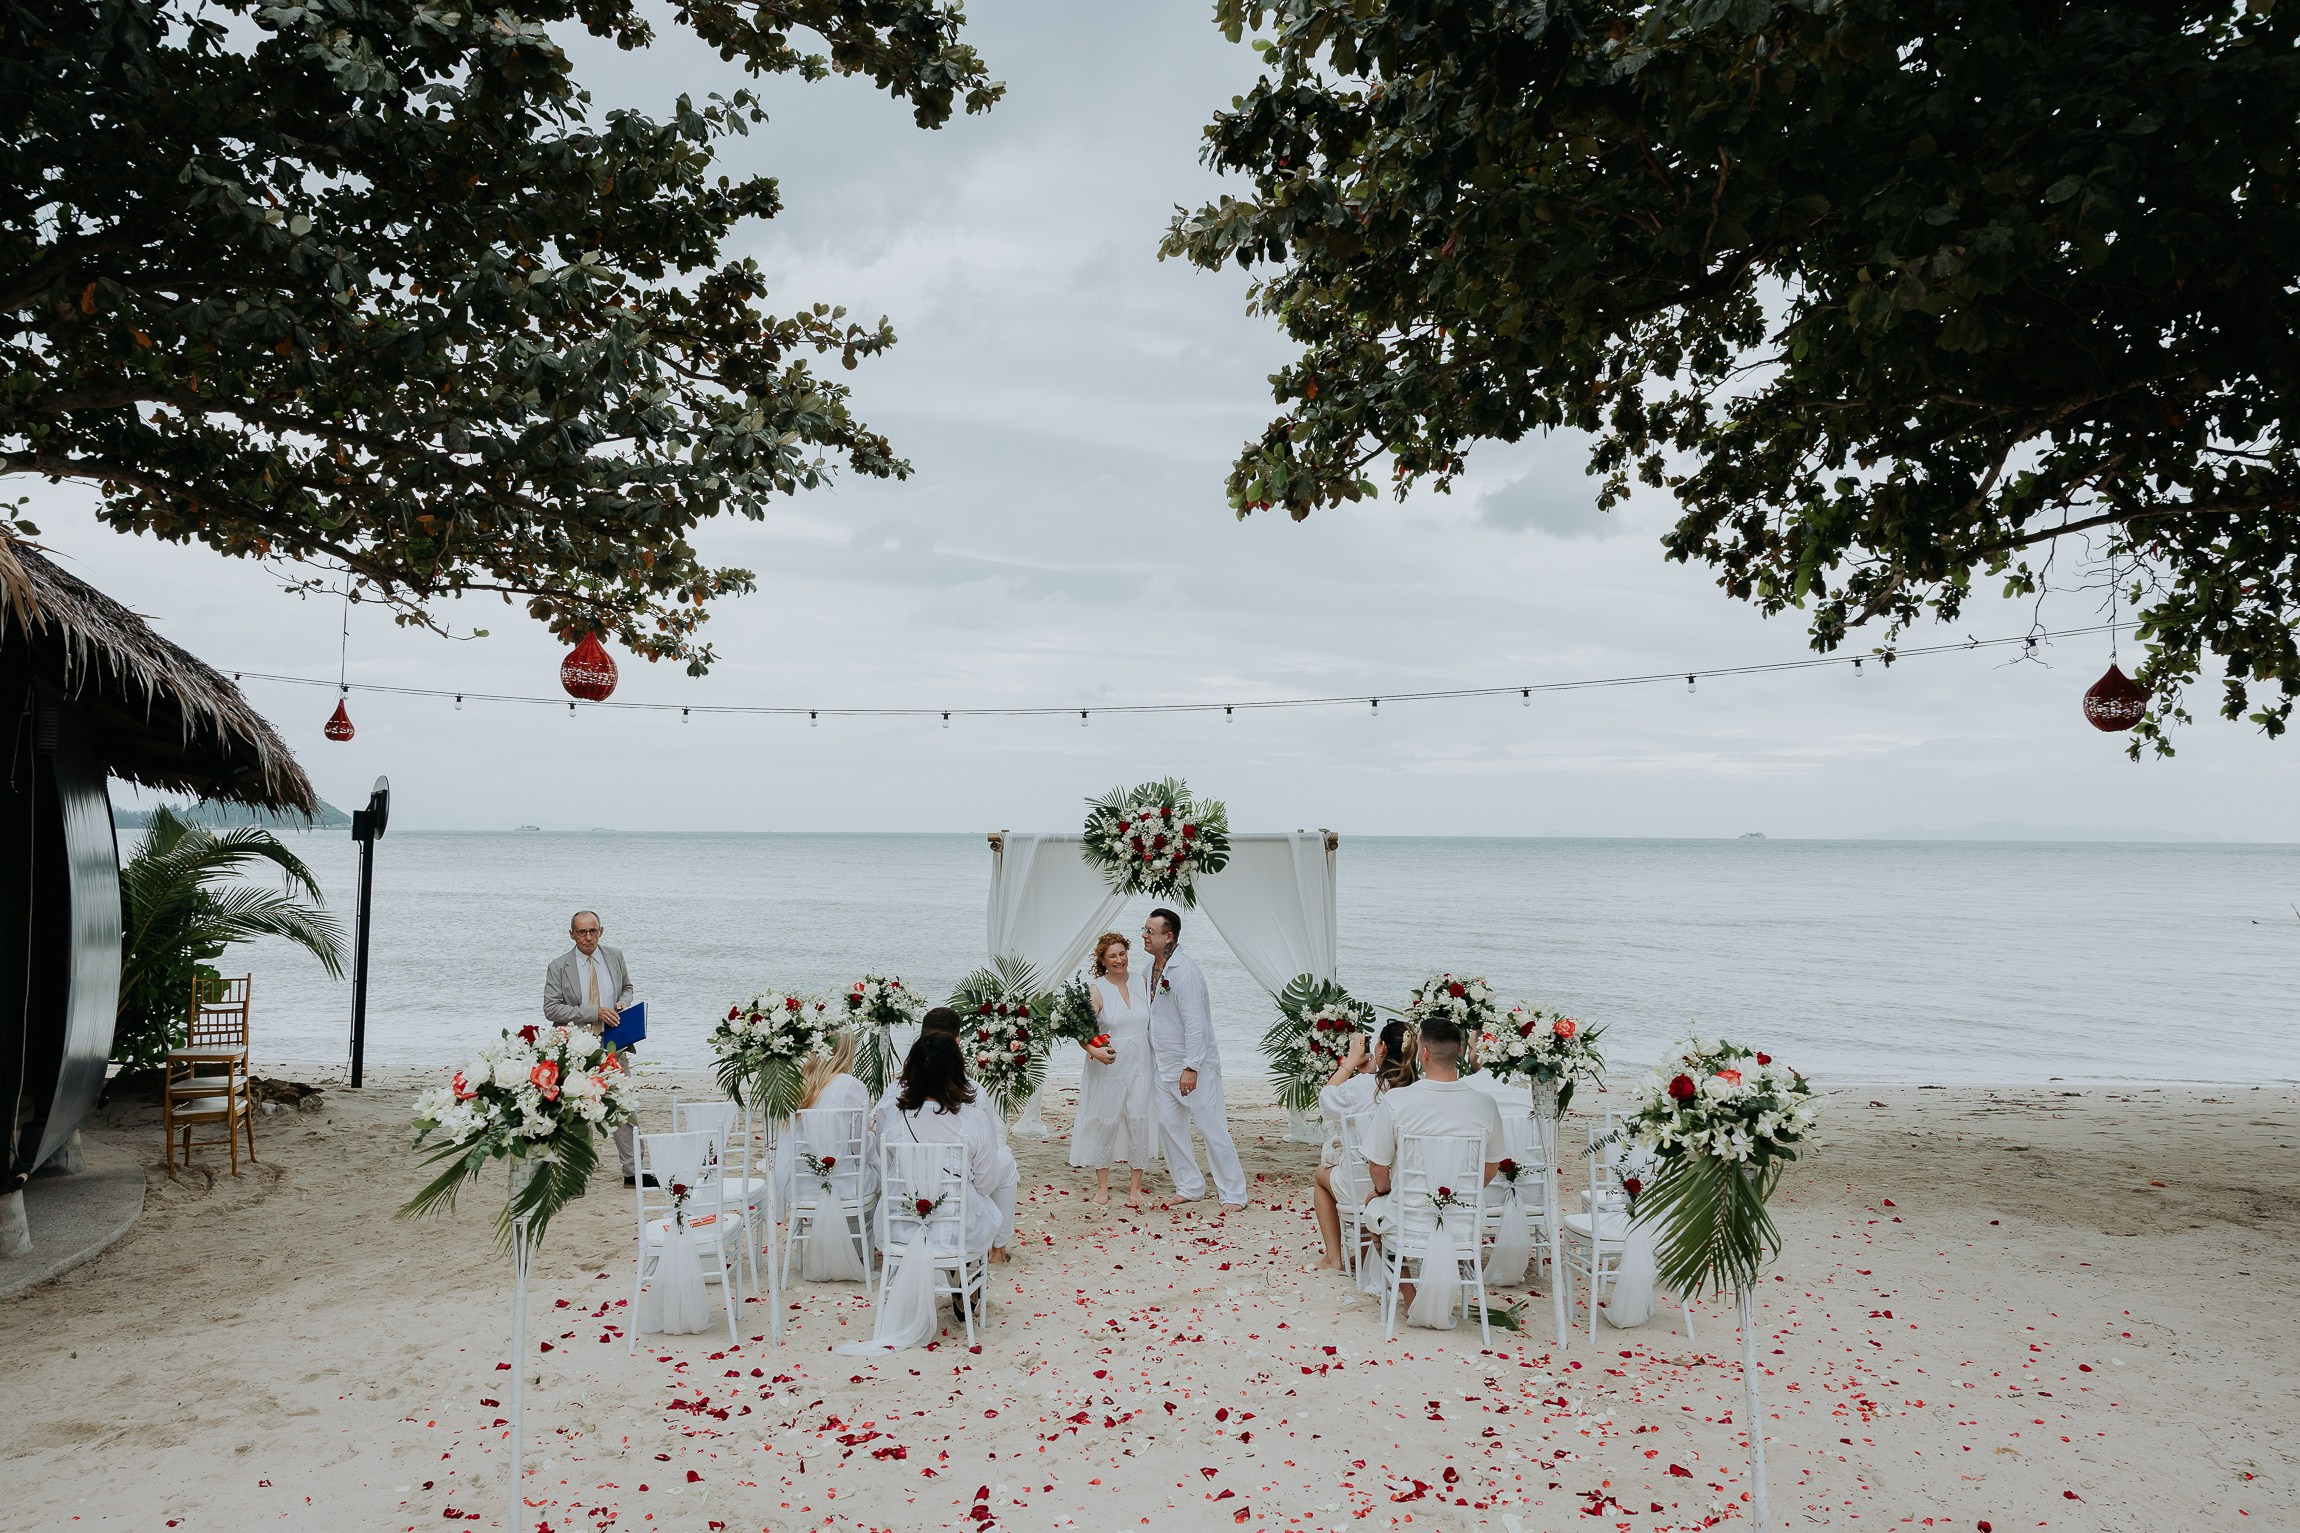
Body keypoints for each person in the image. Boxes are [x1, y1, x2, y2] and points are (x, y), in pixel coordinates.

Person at [1360, 1017, 1506, 1305]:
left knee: (1374, 1213)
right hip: (1463, 1221)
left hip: (1408, 1219)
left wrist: (1382, 1192)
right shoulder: (1485, 1105)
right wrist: (1463, 1196)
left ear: (1423, 1053)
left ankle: (1410, 1296)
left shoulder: (1397, 1101)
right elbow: (1491, 1166)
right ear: (1461, 1051)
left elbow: (1378, 1166)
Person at [867, 1032, 1017, 1282]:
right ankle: (964, 1279)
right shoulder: (973, 1119)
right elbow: (986, 1184)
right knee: (976, 1201)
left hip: (901, 1225)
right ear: (956, 1071)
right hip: (959, 1228)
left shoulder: (895, 1118)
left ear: (912, 1071)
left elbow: (889, 1171)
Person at [1141, 907, 1247, 1210]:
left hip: (1193, 1066)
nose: (1144, 936)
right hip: (1163, 1065)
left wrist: (1192, 1066)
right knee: (1169, 1127)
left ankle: (1234, 1194)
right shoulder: (1148, 971)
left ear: (1168, 937)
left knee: (1212, 1129)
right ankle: (1189, 1185)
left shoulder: (1186, 973)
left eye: (1150, 931)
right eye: (1144, 930)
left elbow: (1196, 1024)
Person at [543, 909, 642, 1184]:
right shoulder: (558, 966)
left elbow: (628, 987)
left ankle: (634, 1172)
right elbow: (551, 1009)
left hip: (615, 1043)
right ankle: (576, 1174)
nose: (588, 937)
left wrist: (623, 1002)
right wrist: (593, 1012)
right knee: (577, 1110)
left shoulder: (615, 956)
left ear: (601, 931)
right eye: (582, 932)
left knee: (623, 1106)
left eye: (593, 931)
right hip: (577, 1047)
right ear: (572, 934)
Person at [1310, 1019, 1416, 1270]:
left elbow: (1326, 1101)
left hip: (1367, 1184)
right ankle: (1367, 1251)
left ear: (1382, 1048)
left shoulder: (1362, 1087)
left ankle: (1333, 1257)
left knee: (1320, 1176)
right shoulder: (1416, 1087)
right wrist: (1368, 1073)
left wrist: (1349, 1063)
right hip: (1408, 1185)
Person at [1068, 931, 1156, 1208]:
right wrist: (1093, 1051)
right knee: (1106, 1123)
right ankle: (1102, 1187)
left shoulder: (1142, 982)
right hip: (1109, 1066)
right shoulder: (1097, 989)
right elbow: (1081, 1029)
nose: (1119, 960)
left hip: (1141, 1065)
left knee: (1138, 1120)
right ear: (1103, 961)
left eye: (1122, 954)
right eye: (1112, 956)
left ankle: (1135, 1188)